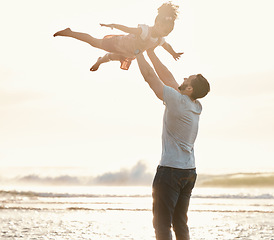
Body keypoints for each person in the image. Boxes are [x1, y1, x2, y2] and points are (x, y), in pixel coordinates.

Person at [136, 47, 210, 240]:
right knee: (180, 223)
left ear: (190, 89)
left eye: (187, 79)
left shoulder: (178, 102)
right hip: (189, 172)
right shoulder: (194, 105)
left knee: (161, 225)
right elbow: (167, 76)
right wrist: (150, 51)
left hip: (170, 172)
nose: (183, 78)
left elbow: (151, 77)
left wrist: (137, 52)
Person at [53, 2, 183, 71]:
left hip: (129, 53)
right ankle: (70, 32)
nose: (167, 33)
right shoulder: (144, 31)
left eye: (170, 31)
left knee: (113, 57)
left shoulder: (159, 39)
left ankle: (99, 61)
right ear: (157, 23)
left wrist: (173, 53)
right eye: (166, 30)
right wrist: (113, 25)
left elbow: (167, 46)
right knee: (94, 42)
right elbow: (127, 28)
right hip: (119, 44)